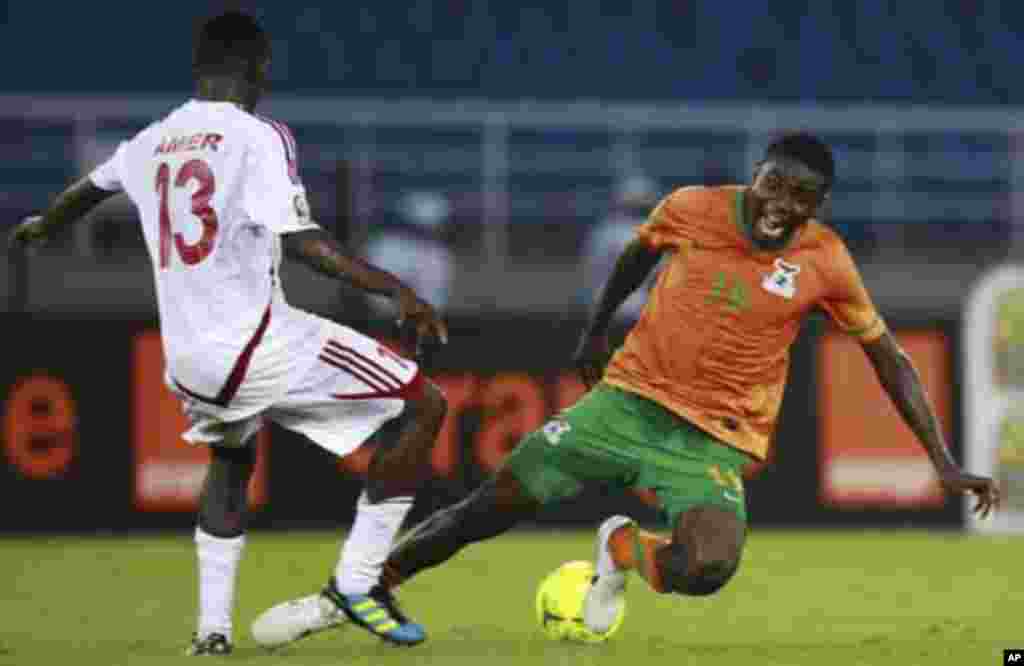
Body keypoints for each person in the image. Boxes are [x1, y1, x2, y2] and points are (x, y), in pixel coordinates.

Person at [265, 130, 1000, 643]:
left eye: (803, 196)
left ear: (820, 203)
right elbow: (636, 257)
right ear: (758, 175)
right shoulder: (693, 206)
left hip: (710, 438)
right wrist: (596, 330)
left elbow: (888, 358)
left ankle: (620, 551)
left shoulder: (826, 260)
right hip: (623, 404)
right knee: (483, 509)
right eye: (776, 185)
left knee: (708, 568)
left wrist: (938, 458)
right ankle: (357, 593)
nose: (783, 204)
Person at [9, 11, 448, 654]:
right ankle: (357, 583)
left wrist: (42, 227)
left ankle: (212, 632)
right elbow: (302, 244)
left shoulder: (155, 140)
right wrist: (395, 289)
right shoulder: (257, 134)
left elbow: (87, 189)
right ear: (257, 66)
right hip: (259, 344)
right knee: (426, 406)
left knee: (231, 460)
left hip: (188, 359)